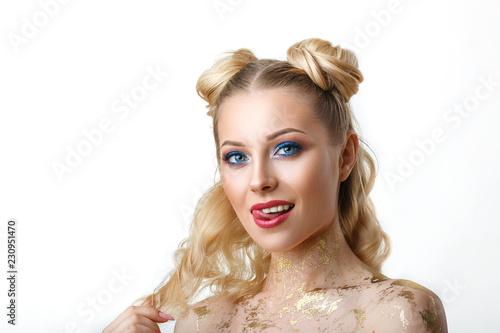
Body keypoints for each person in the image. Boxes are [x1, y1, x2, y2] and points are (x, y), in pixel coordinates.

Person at [104, 37, 448, 332]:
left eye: (286, 149)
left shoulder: (396, 313)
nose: (259, 181)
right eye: (237, 157)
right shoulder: (206, 323)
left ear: (345, 156)